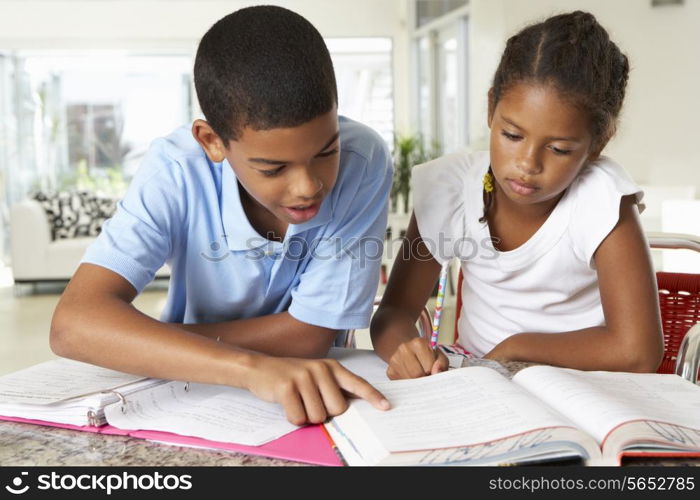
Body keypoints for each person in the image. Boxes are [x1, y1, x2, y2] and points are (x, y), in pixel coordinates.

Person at [50, 5, 392, 425]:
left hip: (292, 386)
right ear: (212, 141)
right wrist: (249, 369)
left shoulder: (364, 159)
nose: (307, 187)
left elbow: (308, 338)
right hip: (181, 394)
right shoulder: (176, 171)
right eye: (273, 168)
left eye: (327, 152)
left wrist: (141, 341)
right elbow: (74, 325)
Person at [371, 11, 664, 379]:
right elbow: (394, 313)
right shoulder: (451, 188)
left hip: (583, 387)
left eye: (558, 149)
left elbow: (638, 351)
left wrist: (518, 348)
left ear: (598, 142)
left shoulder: (602, 200)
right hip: (481, 387)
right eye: (512, 136)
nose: (527, 164)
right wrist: (406, 350)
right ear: (492, 108)